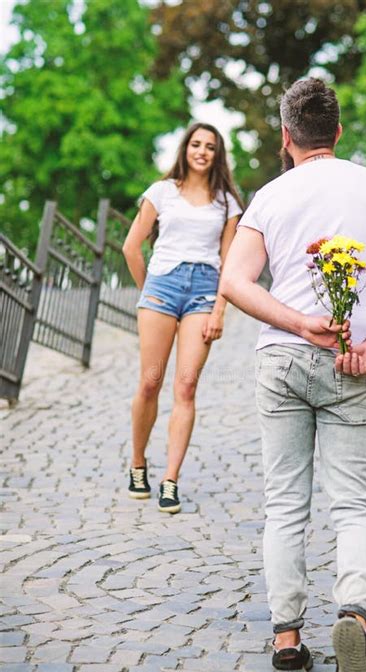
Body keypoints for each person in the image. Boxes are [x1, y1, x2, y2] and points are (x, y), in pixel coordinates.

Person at [220, 79, 366, 672]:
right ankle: (355, 621)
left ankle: (286, 640)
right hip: (350, 362)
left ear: (287, 137)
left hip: (280, 361)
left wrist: (294, 321)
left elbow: (234, 280)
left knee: (284, 503)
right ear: (337, 131)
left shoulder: (270, 196)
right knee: (354, 503)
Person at [123, 123, 243, 513]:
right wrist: (148, 293)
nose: (202, 151)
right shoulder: (161, 192)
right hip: (162, 286)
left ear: (217, 154)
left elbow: (230, 262)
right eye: (196, 144)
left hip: (204, 292)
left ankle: (170, 480)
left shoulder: (226, 202)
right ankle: (138, 462)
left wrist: (220, 309)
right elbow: (131, 248)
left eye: (210, 146)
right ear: (185, 148)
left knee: (187, 387)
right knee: (150, 382)